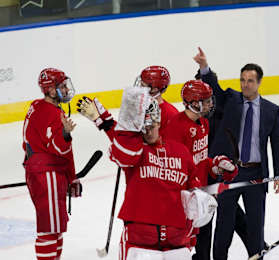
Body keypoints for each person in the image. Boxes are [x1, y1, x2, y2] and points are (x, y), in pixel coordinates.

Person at [77, 86, 230, 260]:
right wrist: (103, 121)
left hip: (175, 238)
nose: (148, 131)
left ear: (159, 123)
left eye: (153, 125)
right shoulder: (136, 152)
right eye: (144, 126)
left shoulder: (180, 150)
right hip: (141, 238)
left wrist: (200, 199)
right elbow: (122, 149)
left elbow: (192, 185)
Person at [193, 47, 279, 259]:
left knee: (255, 228)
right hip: (229, 174)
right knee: (223, 228)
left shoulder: (272, 110)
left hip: (256, 176)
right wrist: (204, 67)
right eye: (243, 80)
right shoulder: (231, 99)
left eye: (250, 81)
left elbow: (278, 144)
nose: (245, 84)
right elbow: (214, 88)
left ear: (259, 82)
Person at [162, 79, 238, 260]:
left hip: (201, 197)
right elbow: (172, 168)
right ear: (193, 103)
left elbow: (200, 161)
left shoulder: (203, 123)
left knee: (203, 247)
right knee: (183, 248)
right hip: (183, 201)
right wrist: (194, 189)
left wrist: (216, 165)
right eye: (206, 100)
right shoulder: (175, 128)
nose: (211, 104)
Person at [22, 68, 81, 260]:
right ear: (50, 90)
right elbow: (60, 150)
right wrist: (64, 134)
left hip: (38, 171)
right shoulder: (54, 115)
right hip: (47, 174)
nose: (66, 89)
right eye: (61, 86)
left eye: (65, 84)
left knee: (54, 228)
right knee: (49, 230)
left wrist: (70, 178)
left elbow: (28, 142)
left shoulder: (36, 106)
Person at [134, 65, 179, 136]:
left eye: (142, 85)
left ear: (155, 89)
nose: (139, 88)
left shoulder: (170, 114)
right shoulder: (140, 106)